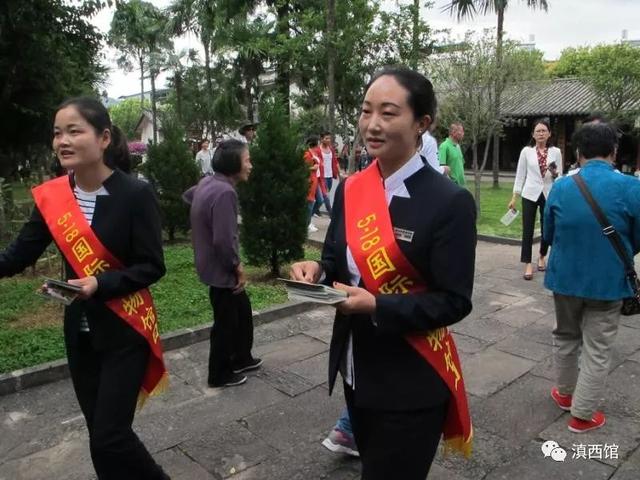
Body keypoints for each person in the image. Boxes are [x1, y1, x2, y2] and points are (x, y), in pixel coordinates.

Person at [290, 66, 476, 480]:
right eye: (365, 111)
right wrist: (317, 270)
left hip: (411, 380)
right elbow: (338, 263)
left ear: (422, 124)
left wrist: (378, 305)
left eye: (389, 113)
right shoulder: (352, 188)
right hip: (356, 370)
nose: (372, 125)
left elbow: (454, 300)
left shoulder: (450, 203)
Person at [0, 97, 170, 479]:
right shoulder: (53, 198)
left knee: (111, 436)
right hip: (80, 334)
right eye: (57, 133)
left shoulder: (134, 195)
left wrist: (101, 282)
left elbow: (152, 266)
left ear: (104, 137)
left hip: (125, 330)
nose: (63, 140)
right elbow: (17, 255)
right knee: (100, 434)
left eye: (74, 131)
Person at [544, 122, 640, 433]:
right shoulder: (631, 187)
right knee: (597, 346)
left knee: (565, 336)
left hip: (564, 279)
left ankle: (565, 393)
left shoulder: (561, 187)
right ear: (614, 151)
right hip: (608, 281)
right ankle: (582, 414)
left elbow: (548, 234)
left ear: (578, 152)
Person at [183, 139, 262, 388]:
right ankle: (219, 374)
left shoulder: (209, 181)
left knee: (241, 312)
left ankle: (241, 357)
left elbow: (188, 196)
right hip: (221, 269)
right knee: (226, 324)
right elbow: (224, 240)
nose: (250, 165)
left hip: (209, 263)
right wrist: (237, 267)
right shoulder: (225, 192)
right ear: (234, 163)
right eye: (247, 160)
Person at [508, 119, 563, 280]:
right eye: (538, 131)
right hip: (530, 193)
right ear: (533, 134)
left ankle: (542, 256)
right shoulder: (526, 151)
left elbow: (559, 177)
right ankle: (527, 264)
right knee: (528, 229)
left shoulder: (556, 152)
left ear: (549, 134)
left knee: (547, 227)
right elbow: (520, 175)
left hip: (548, 193)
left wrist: (555, 174)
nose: (541, 134)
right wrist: (514, 197)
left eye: (544, 131)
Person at [303, 136, 322, 233]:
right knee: (310, 203)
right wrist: (313, 168)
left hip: (315, 181)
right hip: (310, 181)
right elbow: (304, 167)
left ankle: (308, 222)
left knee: (316, 201)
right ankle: (306, 224)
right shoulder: (307, 154)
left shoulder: (313, 154)